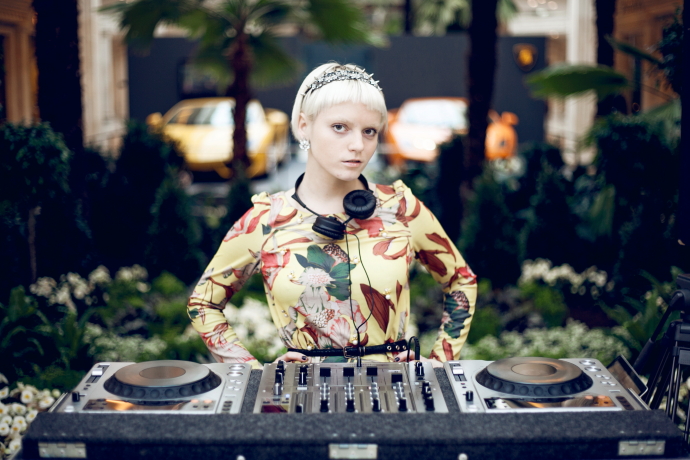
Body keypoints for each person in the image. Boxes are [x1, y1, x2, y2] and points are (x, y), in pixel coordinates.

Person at [187, 62, 477, 369]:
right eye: (340, 127)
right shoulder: (266, 220)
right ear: (304, 126)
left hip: (394, 389)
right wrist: (255, 374)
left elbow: (461, 280)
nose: (358, 145)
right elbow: (203, 304)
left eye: (369, 131)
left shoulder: (401, 208)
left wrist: (440, 363)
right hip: (302, 393)